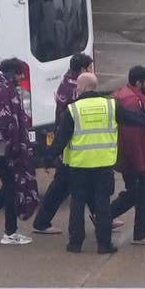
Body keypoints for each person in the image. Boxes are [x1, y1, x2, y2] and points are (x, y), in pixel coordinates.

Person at [45, 73, 145, 254]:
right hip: (103, 165)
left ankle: (75, 243)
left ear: (82, 87)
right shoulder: (110, 106)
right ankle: (104, 244)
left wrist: (47, 159)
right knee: (102, 204)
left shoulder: (73, 109)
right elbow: (136, 119)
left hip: (79, 166)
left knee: (77, 204)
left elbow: (61, 139)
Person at [32, 53, 110, 234]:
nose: (92, 71)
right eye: (90, 68)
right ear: (83, 69)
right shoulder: (76, 89)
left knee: (84, 185)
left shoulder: (68, 82)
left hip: (73, 147)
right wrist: (51, 154)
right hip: (71, 148)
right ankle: (42, 222)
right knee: (61, 187)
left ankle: (103, 218)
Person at [110, 66, 145, 246]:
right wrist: (140, 164)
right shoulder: (133, 101)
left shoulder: (125, 95)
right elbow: (133, 136)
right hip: (133, 160)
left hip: (127, 158)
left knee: (133, 194)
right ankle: (141, 234)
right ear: (138, 83)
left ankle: (104, 216)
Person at [0, 58, 40, 244]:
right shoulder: (3, 92)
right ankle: (10, 233)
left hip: (0, 151)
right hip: (2, 152)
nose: (22, 77)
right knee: (11, 188)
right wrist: (16, 149)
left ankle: (10, 232)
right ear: (13, 73)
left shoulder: (1, 89)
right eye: (20, 74)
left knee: (9, 187)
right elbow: (6, 124)